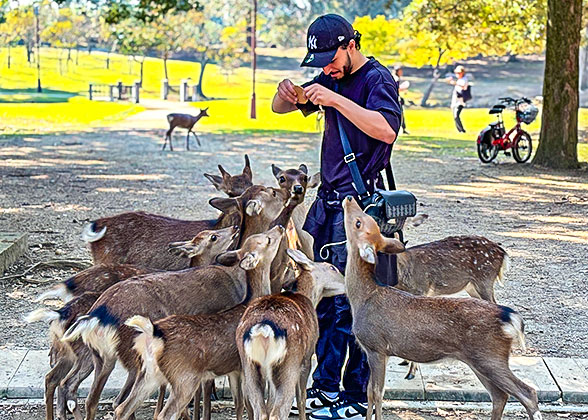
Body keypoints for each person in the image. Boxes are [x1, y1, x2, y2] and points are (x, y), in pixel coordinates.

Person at [272, 14, 401, 420]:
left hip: (359, 208)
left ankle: (354, 395)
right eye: (319, 62)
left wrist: (335, 99)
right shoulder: (331, 77)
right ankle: (324, 388)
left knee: (355, 302)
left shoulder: (376, 79)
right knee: (319, 295)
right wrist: (286, 94)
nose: (325, 68)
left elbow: (386, 130)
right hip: (326, 204)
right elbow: (279, 109)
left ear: (350, 46)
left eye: (330, 58)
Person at [447, 65, 469, 133]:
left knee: (456, 115)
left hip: (460, 101)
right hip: (456, 100)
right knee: (455, 116)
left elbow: (463, 87)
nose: (457, 74)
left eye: (459, 73)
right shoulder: (460, 80)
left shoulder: (464, 79)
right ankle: (459, 130)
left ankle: (462, 130)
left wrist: (455, 83)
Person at [392, 64, 410, 134]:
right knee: (399, 114)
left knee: (400, 114)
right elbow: (395, 89)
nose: (401, 72)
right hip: (395, 100)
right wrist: (403, 88)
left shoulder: (395, 77)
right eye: (400, 70)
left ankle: (403, 128)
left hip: (397, 99)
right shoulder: (396, 78)